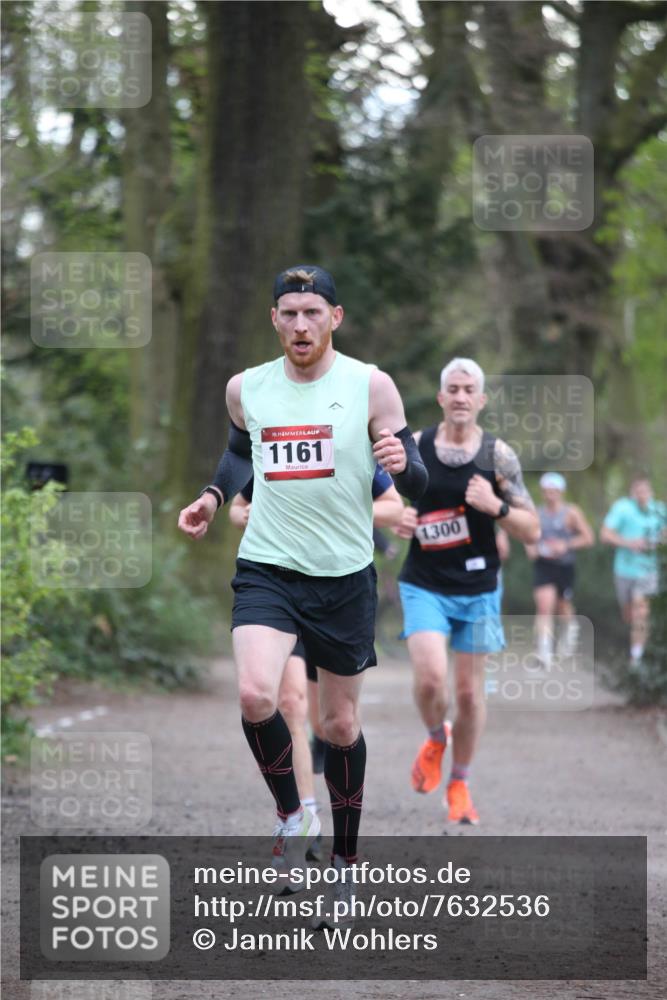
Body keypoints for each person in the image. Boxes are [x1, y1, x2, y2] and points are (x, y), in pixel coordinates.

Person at [178, 265, 427, 904]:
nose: (300, 324)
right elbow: (240, 451)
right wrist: (212, 497)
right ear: (275, 320)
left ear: (334, 319)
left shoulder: (371, 385)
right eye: (288, 313)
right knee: (257, 693)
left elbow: (414, 477)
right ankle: (293, 812)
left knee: (339, 725)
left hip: (344, 576)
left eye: (312, 312)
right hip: (268, 568)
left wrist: (404, 463)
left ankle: (344, 859)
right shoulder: (247, 388)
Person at [393, 358, 540, 825]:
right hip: (424, 585)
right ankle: (436, 736)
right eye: (452, 389)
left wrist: (495, 505)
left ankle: (459, 782)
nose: (459, 396)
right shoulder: (415, 446)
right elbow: (381, 497)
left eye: (468, 389)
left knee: (471, 696)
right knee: (432, 679)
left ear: (481, 400)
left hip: (478, 588)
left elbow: (532, 529)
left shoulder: (498, 456)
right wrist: (397, 514)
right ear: (441, 398)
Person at [228, 465, 404, 842]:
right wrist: (242, 513)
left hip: (337, 592)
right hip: (278, 588)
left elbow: (394, 507)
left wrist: (335, 511)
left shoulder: (347, 441)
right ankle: (301, 815)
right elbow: (238, 505)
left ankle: (338, 843)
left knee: (333, 724)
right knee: (287, 702)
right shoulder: (277, 439)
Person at [525, 472, 594, 664]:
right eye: (547, 491)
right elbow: (528, 536)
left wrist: (566, 545)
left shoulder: (571, 512)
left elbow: (588, 538)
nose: (550, 495)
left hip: (564, 566)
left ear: (561, 492)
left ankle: (569, 632)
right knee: (544, 606)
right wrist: (532, 549)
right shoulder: (536, 513)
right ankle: (544, 653)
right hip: (543, 565)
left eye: (554, 491)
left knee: (563, 606)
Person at [600, 476, 666, 665]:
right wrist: (629, 543)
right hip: (624, 570)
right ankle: (635, 644)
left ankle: (636, 658)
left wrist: (657, 542)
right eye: (638, 491)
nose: (641, 495)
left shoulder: (659, 510)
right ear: (632, 492)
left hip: (648, 570)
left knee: (641, 611)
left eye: (645, 490)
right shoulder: (622, 508)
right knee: (629, 614)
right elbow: (605, 535)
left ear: (650, 491)